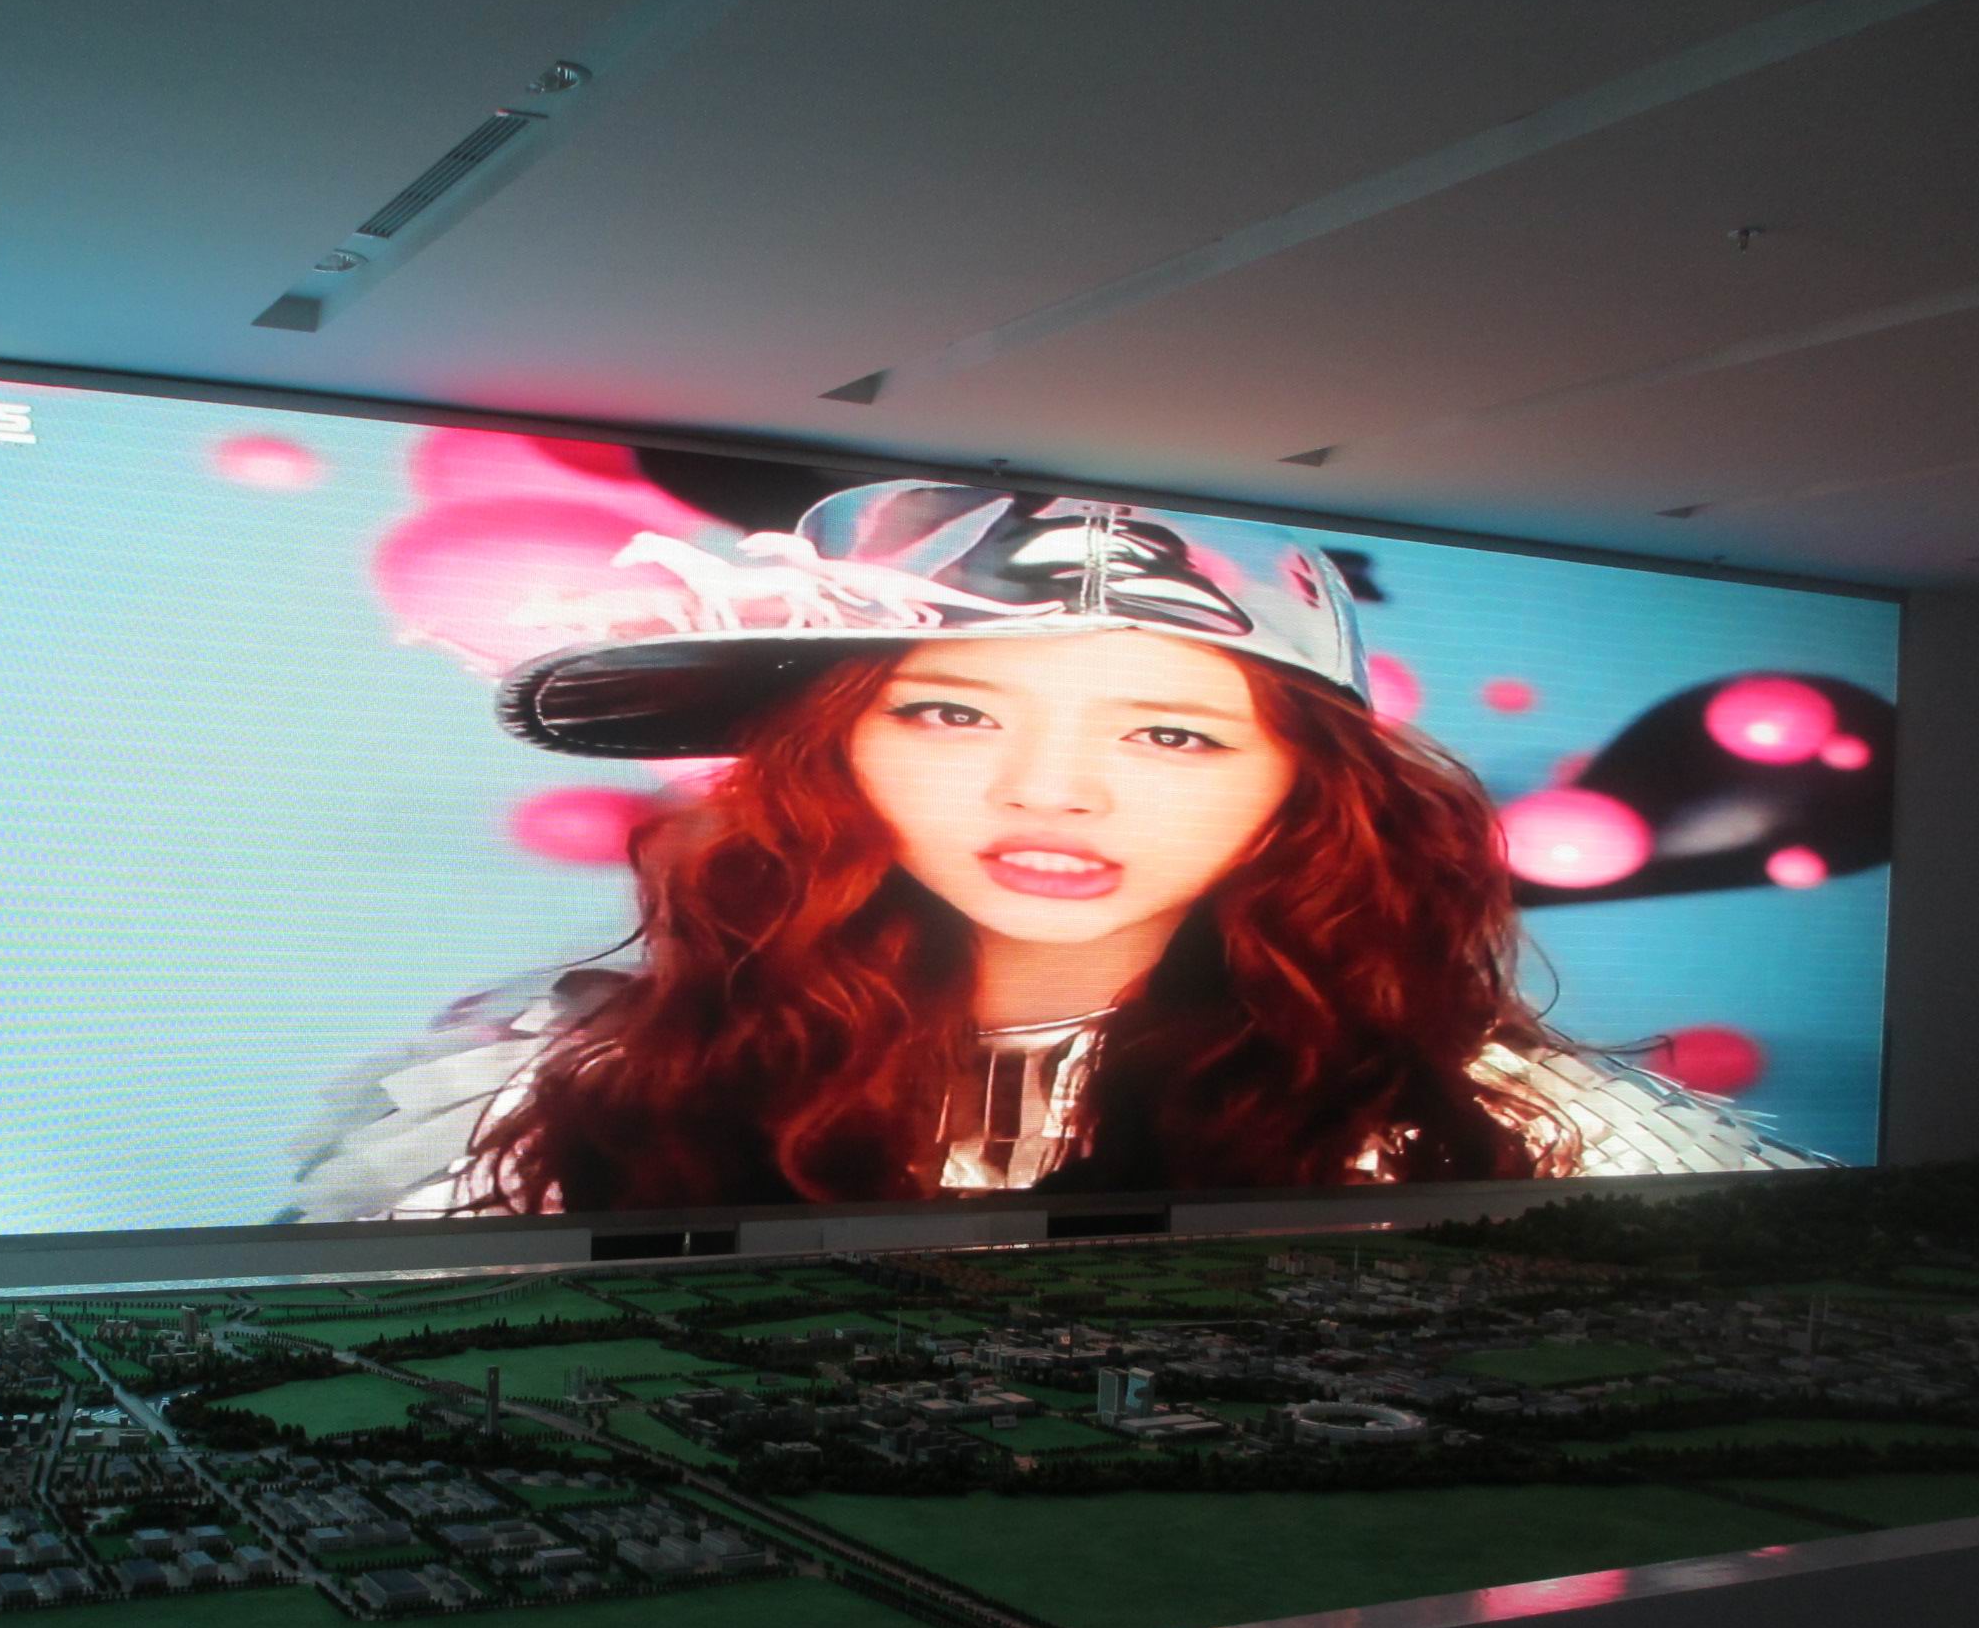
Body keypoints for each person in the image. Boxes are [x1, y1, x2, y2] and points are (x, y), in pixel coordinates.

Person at [282, 484, 1825, 1221]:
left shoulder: (1492, 1118)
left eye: (1173, 734)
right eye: (952, 712)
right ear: (837, 754)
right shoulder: (571, 1084)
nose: (1052, 792)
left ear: (1301, 791)